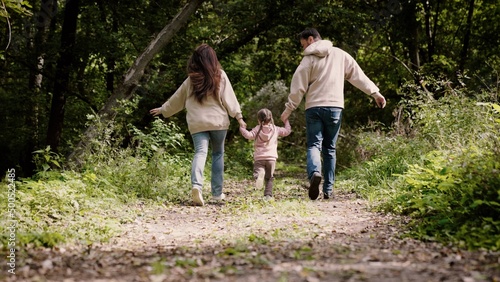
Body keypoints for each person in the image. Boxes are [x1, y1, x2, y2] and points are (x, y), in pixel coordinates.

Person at [280, 28, 386, 201]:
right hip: (335, 107)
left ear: (311, 39)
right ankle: (328, 189)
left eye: (303, 44)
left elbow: (298, 87)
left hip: (314, 107)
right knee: (330, 148)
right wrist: (375, 93)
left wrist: (288, 111)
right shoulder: (340, 55)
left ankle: (315, 172)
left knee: (314, 145)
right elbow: (358, 76)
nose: (303, 48)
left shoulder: (308, 60)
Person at [150, 44, 246, 206]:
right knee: (217, 155)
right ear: (212, 59)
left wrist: (163, 109)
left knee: (200, 153)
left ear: (196, 59)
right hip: (218, 122)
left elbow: (177, 99)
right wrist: (239, 117)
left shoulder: (191, 80)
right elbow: (230, 99)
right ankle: (216, 194)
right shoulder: (220, 76)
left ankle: (197, 186)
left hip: (197, 123)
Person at [240, 108, 291, 199]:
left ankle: (259, 175)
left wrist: (242, 127)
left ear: (258, 119)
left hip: (259, 157)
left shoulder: (257, 129)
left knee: (258, 171)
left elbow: (248, 135)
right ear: (270, 118)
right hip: (271, 158)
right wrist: (286, 121)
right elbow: (287, 131)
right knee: (269, 178)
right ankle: (268, 195)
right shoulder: (276, 129)